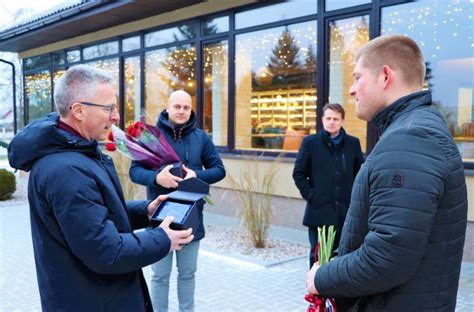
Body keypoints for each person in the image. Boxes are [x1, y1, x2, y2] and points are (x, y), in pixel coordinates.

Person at [7, 65, 194, 312]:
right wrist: (162, 238)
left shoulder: (78, 152)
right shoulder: (67, 170)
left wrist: (144, 211)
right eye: (109, 108)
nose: (116, 117)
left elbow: (94, 215)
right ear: (79, 111)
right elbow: (106, 251)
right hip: (93, 300)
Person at [306, 35, 468, 311]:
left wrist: (320, 278)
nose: (352, 90)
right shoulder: (414, 130)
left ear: (384, 76)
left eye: (357, 77)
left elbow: (386, 257)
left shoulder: (409, 139)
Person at [129, 90, 226, 312]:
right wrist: (156, 177)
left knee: (188, 274)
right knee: (160, 275)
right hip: (160, 215)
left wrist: (196, 175)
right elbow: (134, 172)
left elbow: (219, 169)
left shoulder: (201, 137)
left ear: (191, 109)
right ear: (168, 107)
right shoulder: (150, 137)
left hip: (191, 216)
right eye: (177, 106)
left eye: (186, 107)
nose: (181, 111)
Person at [293, 103, 364, 268]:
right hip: (319, 210)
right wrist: (312, 196)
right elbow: (299, 173)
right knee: (317, 254)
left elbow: (359, 174)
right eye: (328, 118)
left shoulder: (353, 143)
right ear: (322, 120)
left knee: (341, 254)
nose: (331, 122)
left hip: (345, 212)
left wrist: (354, 199)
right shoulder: (310, 143)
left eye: (336, 119)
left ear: (342, 121)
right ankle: (316, 291)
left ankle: (337, 291)